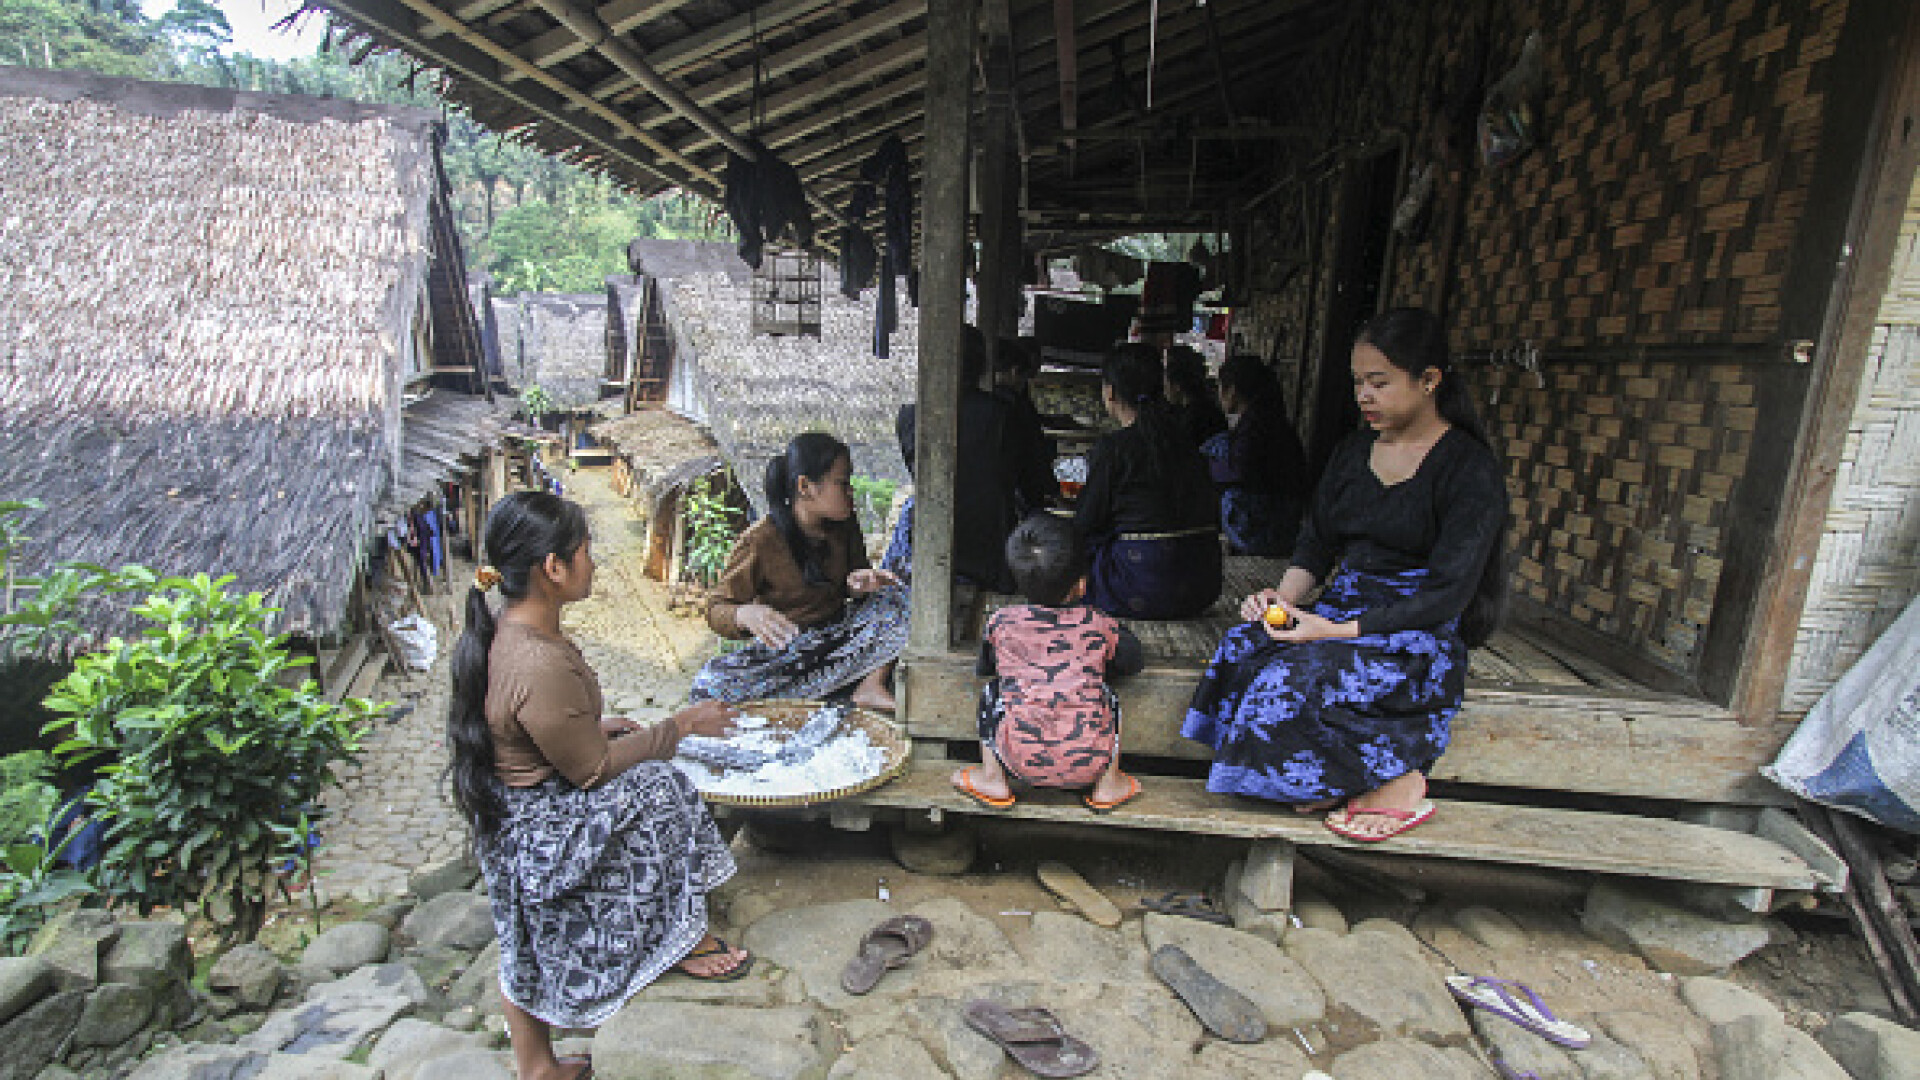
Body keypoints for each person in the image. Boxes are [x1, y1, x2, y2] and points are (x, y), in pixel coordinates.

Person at [447, 491, 748, 1080]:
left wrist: (596, 729)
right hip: (538, 834)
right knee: (662, 787)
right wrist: (680, 726)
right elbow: (590, 771)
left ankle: (536, 1065)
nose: (594, 562)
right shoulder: (537, 661)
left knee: (519, 942)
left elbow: (535, 732)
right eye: (585, 552)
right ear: (552, 569)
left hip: (512, 822)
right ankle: (677, 936)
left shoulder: (510, 632)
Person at [1181, 308, 1509, 842]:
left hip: (1411, 629)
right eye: (1359, 383)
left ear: (1429, 381)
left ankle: (1398, 779)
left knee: (1288, 684)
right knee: (1242, 649)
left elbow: (1446, 595)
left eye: (1379, 383)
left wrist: (1330, 632)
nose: (1364, 396)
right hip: (1340, 606)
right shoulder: (1354, 453)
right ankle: (1327, 777)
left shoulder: (1468, 470)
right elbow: (1317, 542)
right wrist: (1279, 601)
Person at [694, 432, 909, 712]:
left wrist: (859, 584)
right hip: (787, 654)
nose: (850, 491)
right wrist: (744, 614)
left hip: (839, 640)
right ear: (805, 486)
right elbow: (715, 608)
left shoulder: (844, 525)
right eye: (842, 483)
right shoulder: (760, 541)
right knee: (709, 686)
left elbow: (855, 581)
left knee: (900, 596)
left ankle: (871, 684)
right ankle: (817, 689)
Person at [949, 513, 1145, 812]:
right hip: (1090, 761)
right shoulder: (1097, 624)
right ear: (1081, 585)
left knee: (992, 692)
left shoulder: (1002, 622)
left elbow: (985, 668)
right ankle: (1109, 783)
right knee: (1107, 696)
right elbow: (1133, 661)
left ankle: (992, 778)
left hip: (1018, 761)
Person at [890, 327, 1057, 590]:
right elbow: (1033, 485)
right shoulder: (1004, 415)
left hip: (928, 547)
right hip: (992, 551)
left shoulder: (910, 418)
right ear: (982, 367)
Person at [1074, 343, 1223, 620]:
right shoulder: (1186, 441)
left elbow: (1086, 521)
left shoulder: (1113, 448)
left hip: (1140, 585)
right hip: (1202, 586)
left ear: (1110, 392)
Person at [1205, 355, 1311, 556]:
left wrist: (1204, 467)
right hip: (1286, 521)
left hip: (1264, 527)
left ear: (1233, 391)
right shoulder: (1272, 419)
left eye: (1220, 388)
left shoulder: (1256, 426)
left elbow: (1239, 470)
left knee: (1214, 449)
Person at [1163, 344, 1228, 451]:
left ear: (1177, 387)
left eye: (1166, 386)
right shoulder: (1208, 407)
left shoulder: (1191, 419)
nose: (1165, 391)